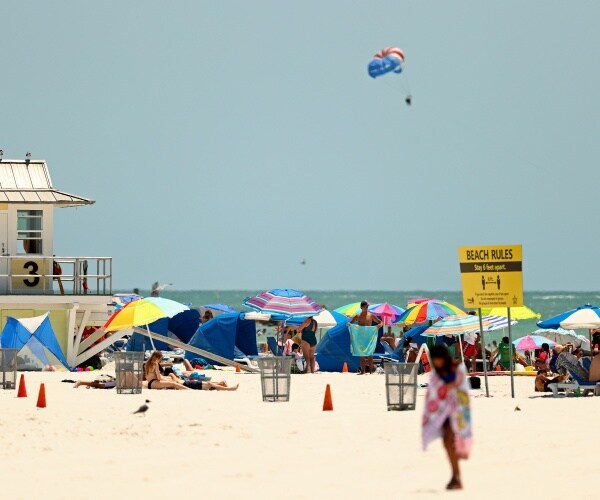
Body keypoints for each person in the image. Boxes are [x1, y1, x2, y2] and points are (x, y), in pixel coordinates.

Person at [422, 345, 472, 491]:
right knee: (447, 442)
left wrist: (447, 388)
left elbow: (461, 388)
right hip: (441, 411)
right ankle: (455, 475)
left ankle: (456, 476)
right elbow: (434, 390)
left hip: (456, 411)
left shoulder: (456, 369)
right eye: (435, 360)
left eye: (439, 360)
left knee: (450, 441)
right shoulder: (437, 374)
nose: (437, 363)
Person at [349, 301, 383, 374]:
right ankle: (363, 371)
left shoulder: (371, 315)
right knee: (361, 354)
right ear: (361, 307)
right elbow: (351, 323)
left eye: (367, 307)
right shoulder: (358, 316)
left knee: (370, 354)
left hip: (369, 336)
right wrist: (349, 324)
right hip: (360, 337)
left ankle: (371, 371)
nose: (366, 308)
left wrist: (380, 325)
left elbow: (380, 322)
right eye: (365, 307)